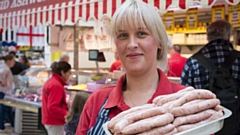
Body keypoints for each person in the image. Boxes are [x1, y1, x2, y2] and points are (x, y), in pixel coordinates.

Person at [76, 1, 187, 134]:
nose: (132, 44)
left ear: (159, 42)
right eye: (123, 35)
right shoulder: (96, 101)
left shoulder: (184, 101)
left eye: (141, 33)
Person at [180, 20, 240, 135]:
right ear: (229, 36)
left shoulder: (192, 62)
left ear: (207, 37)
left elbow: (183, 99)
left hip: (205, 129)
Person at [42, 61, 71, 135]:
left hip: (50, 119)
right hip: (54, 121)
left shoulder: (52, 81)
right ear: (62, 72)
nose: (70, 74)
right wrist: (67, 114)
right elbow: (53, 107)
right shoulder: (56, 85)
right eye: (69, 72)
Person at [0, 54, 15, 133]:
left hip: (6, 92)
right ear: (8, 61)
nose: (14, 62)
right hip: (3, 92)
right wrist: (1, 81)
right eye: (13, 60)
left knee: (8, 110)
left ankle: (13, 125)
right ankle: (1, 127)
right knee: (2, 110)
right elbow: (0, 74)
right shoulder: (5, 68)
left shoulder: (5, 67)